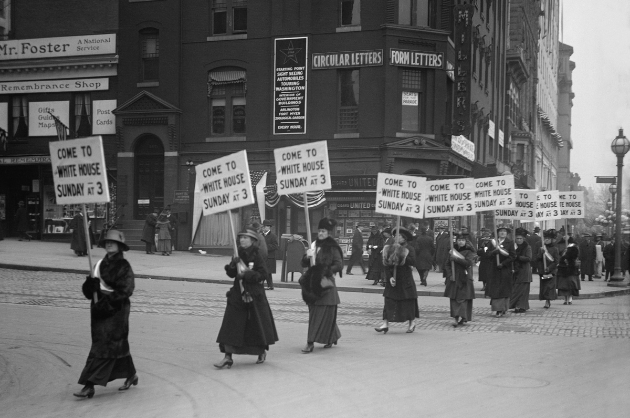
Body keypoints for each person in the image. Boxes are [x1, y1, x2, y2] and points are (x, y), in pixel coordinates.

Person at [74, 230, 138, 398]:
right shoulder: (99, 264)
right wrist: (90, 286)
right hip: (98, 312)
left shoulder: (124, 266)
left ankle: (89, 385)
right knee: (116, 346)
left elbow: (126, 290)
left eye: (113, 242)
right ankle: (131, 374)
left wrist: (107, 304)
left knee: (104, 348)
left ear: (120, 246)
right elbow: (88, 292)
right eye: (107, 242)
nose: (109, 244)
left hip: (116, 312)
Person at [214, 228, 278, 368]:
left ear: (252, 240)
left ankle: (261, 351)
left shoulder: (257, 254)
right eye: (241, 237)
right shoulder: (237, 254)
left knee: (255, 325)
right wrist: (232, 265)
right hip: (238, 294)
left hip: (253, 295)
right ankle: (228, 356)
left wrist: (247, 275)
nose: (242, 240)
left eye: (245, 238)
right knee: (231, 324)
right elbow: (231, 274)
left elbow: (263, 274)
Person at [299, 218, 343, 352]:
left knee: (324, 312)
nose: (320, 233)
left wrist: (327, 271)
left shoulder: (333, 247)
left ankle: (310, 342)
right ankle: (332, 336)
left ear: (328, 233)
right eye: (319, 231)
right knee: (316, 312)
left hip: (325, 282)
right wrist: (307, 257)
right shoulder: (313, 245)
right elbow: (304, 263)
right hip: (313, 282)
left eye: (323, 231)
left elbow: (339, 264)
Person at [375, 227, 419, 334]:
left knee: (407, 302)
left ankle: (411, 323)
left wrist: (401, 252)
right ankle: (385, 324)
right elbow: (386, 265)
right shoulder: (389, 248)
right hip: (393, 280)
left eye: (398, 236)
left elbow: (412, 261)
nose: (396, 238)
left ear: (404, 238)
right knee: (389, 301)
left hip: (405, 279)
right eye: (395, 236)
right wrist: (389, 277)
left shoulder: (409, 248)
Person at [444, 233, 476, 327]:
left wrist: (456, 259)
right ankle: (455, 317)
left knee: (462, 299)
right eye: (459, 240)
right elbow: (447, 264)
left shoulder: (469, 251)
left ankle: (463, 316)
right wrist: (450, 274)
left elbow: (468, 263)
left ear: (465, 242)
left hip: (464, 278)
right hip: (454, 278)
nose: (460, 242)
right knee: (454, 298)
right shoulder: (452, 250)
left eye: (462, 240)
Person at [483, 226, 514, 317]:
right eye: (501, 231)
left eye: (504, 231)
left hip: (505, 269)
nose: (502, 233)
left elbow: (513, 256)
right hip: (494, 269)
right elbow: (487, 254)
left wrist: (503, 263)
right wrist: (493, 253)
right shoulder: (492, 243)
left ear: (507, 233)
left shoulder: (510, 243)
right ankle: (497, 309)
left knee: (504, 290)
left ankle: (503, 308)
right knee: (496, 290)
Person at [510, 228, 532, 313]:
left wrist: (518, 257)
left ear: (523, 239)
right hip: (515, 271)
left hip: (524, 271)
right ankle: (516, 305)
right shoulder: (513, 247)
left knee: (523, 291)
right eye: (517, 238)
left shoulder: (527, 247)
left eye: (520, 238)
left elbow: (529, 258)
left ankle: (521, 306)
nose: (519, 240)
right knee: (515, 290)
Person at [536, 229, 559, 309]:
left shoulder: (555, 249)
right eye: (545, 239)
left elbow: (556, 261)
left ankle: (548, 301)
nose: (546, 240)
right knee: (544, 286)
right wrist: (540, 254)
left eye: (548, 239)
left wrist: (549, 268)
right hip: (543, 271)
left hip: (550, 271)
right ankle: (546, 298)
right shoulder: (541, 249)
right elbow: (537, 259)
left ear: (551, 240)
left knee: (549, 286)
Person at [557, 236, 580, 305]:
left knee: (571, 284)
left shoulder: (574, 246)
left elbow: (576, 255)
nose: (565, 237)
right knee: (564, 284)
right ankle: (565, 298)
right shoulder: (560, 244)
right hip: (563, 267)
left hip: (571, 267)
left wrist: (569, 258)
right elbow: (558, 254)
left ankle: (570, 298)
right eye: (564, 236)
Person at [261, 219, 278, 290]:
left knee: (267, 272)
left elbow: (275, 246)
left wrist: (265, 247)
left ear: (268, 227)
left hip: (269, 256)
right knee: (263, 271)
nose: (263, 228)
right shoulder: (261, 235)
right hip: (262, 256)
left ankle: (269, 285)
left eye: (265, 227)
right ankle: (269, 285)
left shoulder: (273, 236)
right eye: (263, 227)